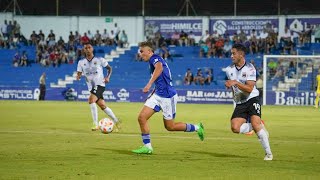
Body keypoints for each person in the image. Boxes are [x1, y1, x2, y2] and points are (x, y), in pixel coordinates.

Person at [132, 41, 204, 154]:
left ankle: (197, 127)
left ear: (149, 51)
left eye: (142, 51)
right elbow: (160, 77)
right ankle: (147, 147)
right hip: (158, 95)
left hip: (167, 96)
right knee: (142, 117)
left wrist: (149, 84)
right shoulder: (152, 60)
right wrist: (153, 90)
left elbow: (159, 68)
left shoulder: (155, 58)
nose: (140, 54)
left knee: (170, 127)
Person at [225, 43, 273, 160]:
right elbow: (233, 88)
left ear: (241, 55)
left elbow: (250, 88)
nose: (231, 56)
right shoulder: (229, 69)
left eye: (234, 53)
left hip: (252, 98)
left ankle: (268, 154)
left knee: (256, 126)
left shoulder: (250, 68)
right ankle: (257, 126)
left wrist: (235, 82)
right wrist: (234, 99)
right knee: (235, 128)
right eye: (231, 53)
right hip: (240, 101)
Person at [76, 43, 121, 131]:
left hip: (100, 84)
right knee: (102, 106)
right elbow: (79, 72)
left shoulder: (100, 60)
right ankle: (116, 121)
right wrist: (78, 76)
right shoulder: (81, 62)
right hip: (91, 87)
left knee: (91, 100)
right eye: (86, 48)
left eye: (89, 47)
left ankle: (95, 123)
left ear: (92, 49)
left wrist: (108, 77)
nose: (88, 49)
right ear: (84, 50)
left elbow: (109, 68)